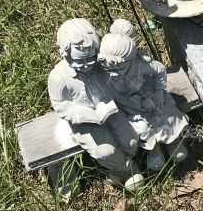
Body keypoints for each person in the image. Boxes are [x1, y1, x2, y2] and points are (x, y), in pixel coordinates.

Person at [48, 19, 144, 193]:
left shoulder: (100, 65)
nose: (86, 64)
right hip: (85, 121)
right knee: (105, 152)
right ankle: (128, 169)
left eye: (91, 58)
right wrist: (80, 114)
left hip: (110, 110)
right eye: (79, 61)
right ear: (65, 54)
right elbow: (61, 105)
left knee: (131, 142)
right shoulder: (58, 78)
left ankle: (116, 167)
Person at [97, 23, 189, 173]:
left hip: (150, 95)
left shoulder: (141, 66)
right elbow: (112, 94)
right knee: (143, 127)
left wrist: (159, 91)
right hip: (129, 105)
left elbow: (159, 69)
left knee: (166, 115)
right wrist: (137, 103)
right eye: (109, 68)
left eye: (118, 68)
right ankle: (154, 149)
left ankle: (173, 141)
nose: (113, 72)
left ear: (131, 60)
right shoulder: (107, 74)